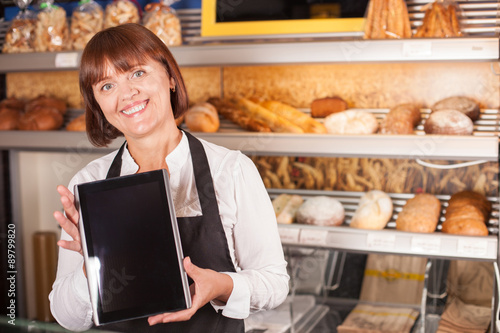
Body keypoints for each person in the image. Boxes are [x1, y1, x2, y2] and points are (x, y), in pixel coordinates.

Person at [49, 23, 289, 332]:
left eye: (138, 73)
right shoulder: (89, 183)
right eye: (106, 86)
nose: (127, 93)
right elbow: (66, 318)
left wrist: (221, 285)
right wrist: (90, 266)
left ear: (171, 77)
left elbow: (275, 283)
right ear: (98, 104)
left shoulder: (230, 170)